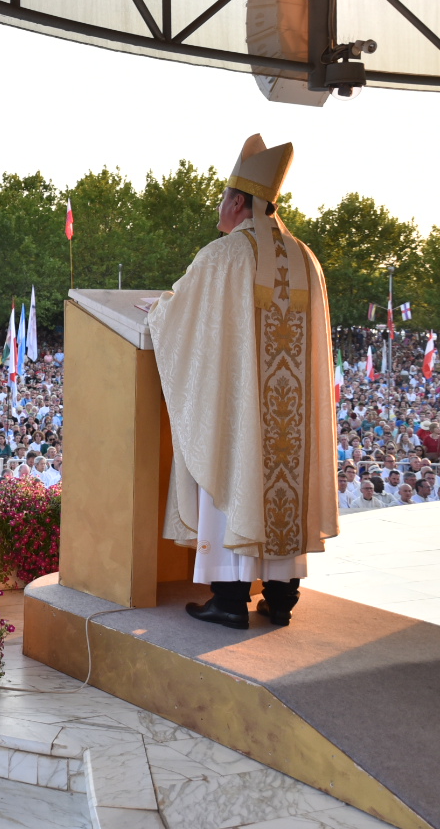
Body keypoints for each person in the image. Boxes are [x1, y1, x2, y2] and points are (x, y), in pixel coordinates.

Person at [145, 135, 338, 629]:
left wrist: (158, 311)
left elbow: (177, 317)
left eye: (221, 199)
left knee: (232, 465)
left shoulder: (224, 256)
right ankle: (280, 598)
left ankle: (229, 601)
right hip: (289, 424)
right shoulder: (306, 259)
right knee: (281, 484)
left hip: (239, 412)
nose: (219, 207)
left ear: (237, 202)